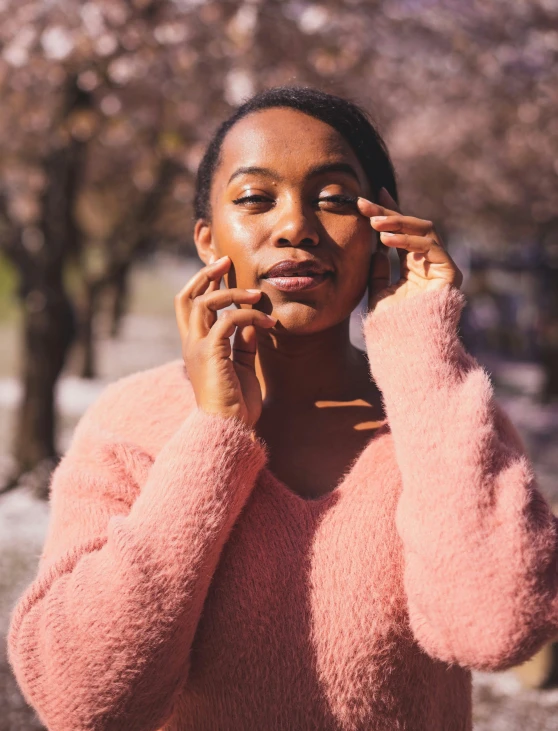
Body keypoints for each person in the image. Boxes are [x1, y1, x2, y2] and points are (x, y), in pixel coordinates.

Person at [7, 86, 558, 731]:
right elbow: (84, 698)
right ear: (209, 241)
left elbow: (494, 626)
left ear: (386, 230)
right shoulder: (128, 423)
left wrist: (421, 353)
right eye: (254, 199)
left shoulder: (443, 412)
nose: (295, 225)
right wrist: (215, 435)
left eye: (333, 199)